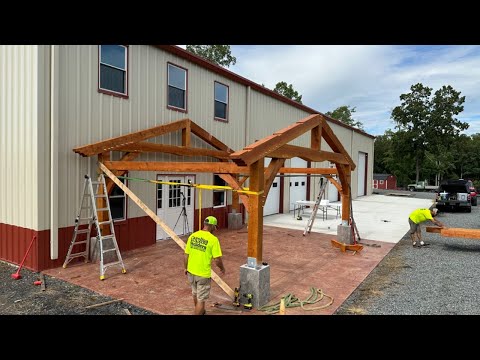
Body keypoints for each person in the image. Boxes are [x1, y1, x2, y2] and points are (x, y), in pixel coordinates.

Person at [184, 215, 225, 315]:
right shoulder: (213, 240)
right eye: (215, 227)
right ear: (211, 226)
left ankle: (200, 311)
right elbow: (217, 260)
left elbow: (186, 255)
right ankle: (199, 311)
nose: (215, 229)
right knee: (201, 299)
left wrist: (185, 268)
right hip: (203, 274)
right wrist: (222, 268)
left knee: (195, 294)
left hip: (191, 271)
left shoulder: (193, 236)